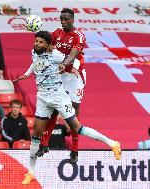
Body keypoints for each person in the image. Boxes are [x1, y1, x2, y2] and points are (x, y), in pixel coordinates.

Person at [13, 31, 121, 185]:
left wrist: (72, 68)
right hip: (43, 98)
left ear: (48, 45)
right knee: (36, 134)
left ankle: (112, 143)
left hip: (58, 96)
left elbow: (73, 61)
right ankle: (31, 172)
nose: (36, 44)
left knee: (77, 128)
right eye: (36, 41)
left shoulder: (56, 55)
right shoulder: (34, 52)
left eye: (40, 42)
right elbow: (34, 63)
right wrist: (25, 74)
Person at [37, 8, 87, 164]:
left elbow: (73, 54)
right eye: (61, 19)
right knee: (53, 110)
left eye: (66, 19)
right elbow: (47, 45)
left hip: (75, 76)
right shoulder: (56, 33)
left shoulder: (79, 36)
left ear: (72, 19)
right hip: (60, 75)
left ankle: (75, 148)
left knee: (73, 115)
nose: (63, 21)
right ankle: (44, 144)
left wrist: (64, 64)